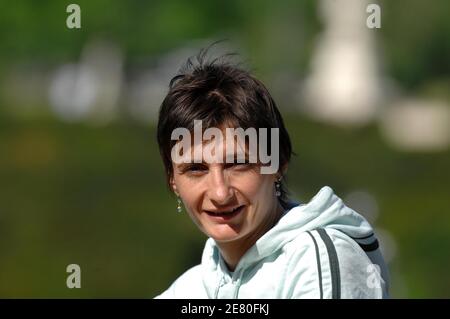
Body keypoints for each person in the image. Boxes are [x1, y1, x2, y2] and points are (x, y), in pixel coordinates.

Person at [154, 49, 389, 299]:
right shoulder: (187, 290)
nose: (220, 192)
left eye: (238, 164)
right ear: (173, 180)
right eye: (196, 169)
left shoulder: (319, 261)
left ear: (278, 163)